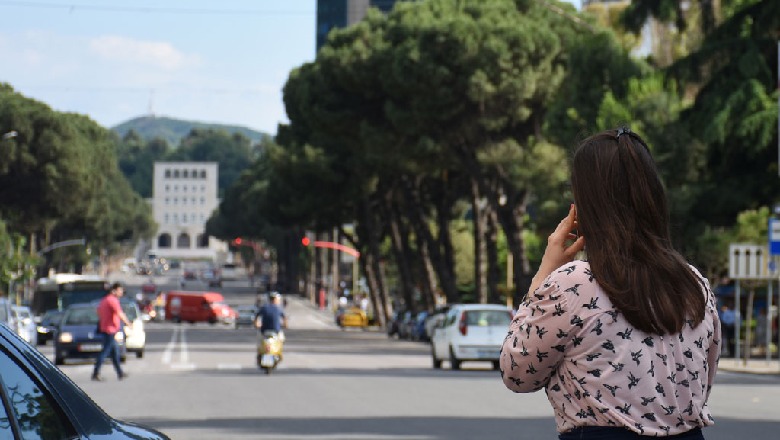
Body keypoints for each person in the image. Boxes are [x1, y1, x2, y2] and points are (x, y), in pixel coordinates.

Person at [500, 127, 720, 439]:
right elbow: (702, 383)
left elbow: (518, 373)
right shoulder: (695, 284)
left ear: (584, 206)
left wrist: (543, 275)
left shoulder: (573, 284)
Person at [92, 282, 133, 381]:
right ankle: (96, 372)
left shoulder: (104, 300)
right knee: (105, 351)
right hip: (110, 329)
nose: (121, 292)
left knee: (115, 352)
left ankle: (120, 373)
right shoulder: (112, 300)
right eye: (120, 290)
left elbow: (97, 311)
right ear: (114, 290)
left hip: (106, 328)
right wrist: (128, 323)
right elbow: (120, 313)